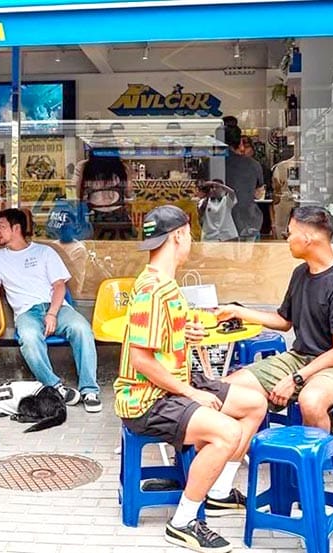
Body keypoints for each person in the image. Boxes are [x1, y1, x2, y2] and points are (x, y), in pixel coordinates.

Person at [114, 205, 267, 552]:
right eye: (190, 235)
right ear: (179, 235)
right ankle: (183, 522)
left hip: (172, 386)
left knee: (255, 404)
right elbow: (141, 358)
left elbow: (162, 338)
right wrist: (190, 393)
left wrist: (186, 334)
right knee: (227, 432)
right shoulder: (152, 289)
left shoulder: (165, 284)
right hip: (146, 400)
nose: (192, 242)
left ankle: (217, 492)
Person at [221, 206, 333, 432]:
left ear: (308, 237)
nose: (287, 239)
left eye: (289, 233)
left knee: (311, 400)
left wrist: (295, 379)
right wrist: (237, 311)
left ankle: (317, 464)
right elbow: (284, 320)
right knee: (228, 388)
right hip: (300, 358)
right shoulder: (301, 273)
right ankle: (236, 452)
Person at [0, 208, 102, 412]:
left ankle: (89, 390)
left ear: (16, 228)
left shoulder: (44, 252)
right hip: (27, 312)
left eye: (2, 226)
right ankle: (56, 388)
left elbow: (59, 286)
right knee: (29, 338)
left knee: (82, 329)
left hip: (56, 307)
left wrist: (52, 313)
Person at [71, 151, 134, 240]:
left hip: (94, 217)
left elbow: (77, 193)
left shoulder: (83, 166)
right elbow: (129, 193)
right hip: (119, 217)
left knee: (93, 250)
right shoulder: (122, 166)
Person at [224, 125, 264, 240]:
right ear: (239, 142)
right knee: (248, 257)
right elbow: (258, 193)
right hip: (248, 220)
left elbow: (200, 193)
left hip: (218, 224)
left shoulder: (208, 164)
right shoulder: (253, 164)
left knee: (221, 257)